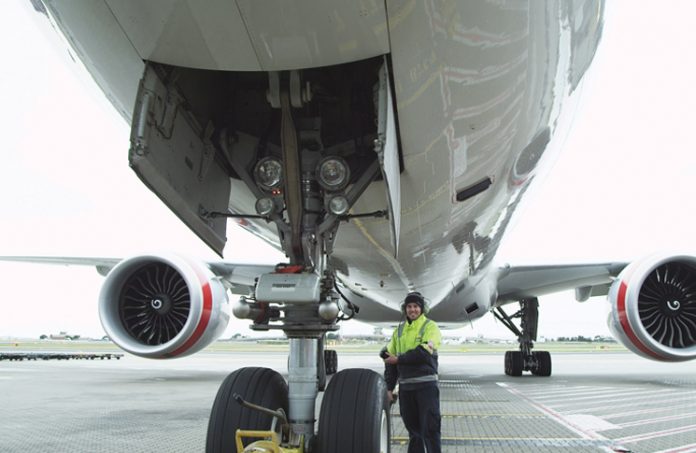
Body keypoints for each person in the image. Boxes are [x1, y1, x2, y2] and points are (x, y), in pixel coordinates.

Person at [382, 291, 442, 453]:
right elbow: (389, 358)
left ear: (422, 309)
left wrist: (398, 359)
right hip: (406, 390)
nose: (412, 310)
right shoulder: (399, 331)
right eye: (409, 306)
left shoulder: (430, 327)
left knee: (431, 429)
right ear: (405, 309)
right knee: (414, 432)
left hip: (426, 387)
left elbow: (423, 353)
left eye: (416, 306)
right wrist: (389, 387)